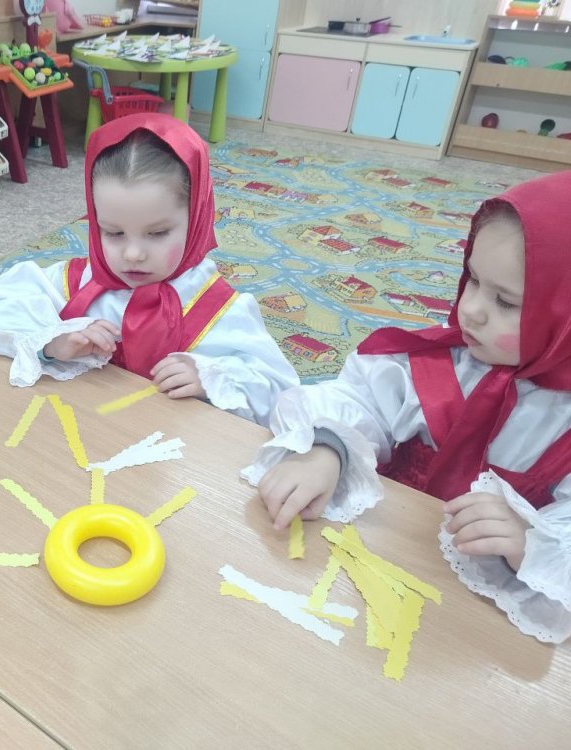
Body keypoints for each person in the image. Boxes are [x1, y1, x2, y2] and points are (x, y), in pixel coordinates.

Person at [243, 171, 571, 643]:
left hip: (474, 624)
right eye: (473, 279)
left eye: (505, 301)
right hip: (371, 560)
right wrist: (327, 449)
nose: (471, 309)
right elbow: (357, 398)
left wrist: (532, 543)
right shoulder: (432, 364)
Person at [0, 113, 297, 426]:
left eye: (158, 233)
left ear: (196, 217)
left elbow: (282, 396)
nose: (133, 254)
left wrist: (212, 378)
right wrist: (51, 343)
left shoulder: (217, 308)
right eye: (113, 233)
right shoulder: (78, 283)